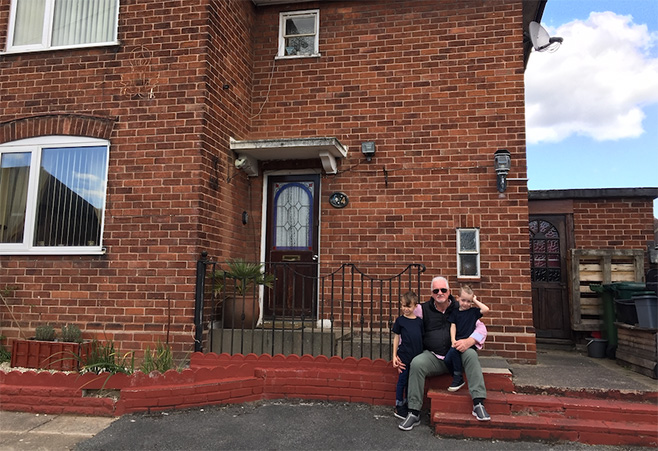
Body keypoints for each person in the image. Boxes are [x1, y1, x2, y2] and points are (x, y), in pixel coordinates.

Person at [396, 276, 490, 431]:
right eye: (436, 290)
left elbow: (481, 328)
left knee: (472, 354)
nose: (440, 293)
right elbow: (407, 325)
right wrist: (399, 353)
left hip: (458, 356)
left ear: (449, 292)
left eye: (443, 290)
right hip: (435, 357)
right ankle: (413, 411)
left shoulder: (461, 307)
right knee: (417, 363)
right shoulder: (422, 309)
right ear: (431, 293)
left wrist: (470, 341)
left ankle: (478, 403)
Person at [444, 285, 490, 392]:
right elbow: (453, 326)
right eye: (463, 300)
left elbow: (486, 309)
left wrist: (474, 300)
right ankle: (457, 375)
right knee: (447, 359)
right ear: (457, 298)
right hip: (457, 342)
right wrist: (453, 340)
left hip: (469, 344)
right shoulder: (455, 313)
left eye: (469, 301)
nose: (466, 303)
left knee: (461, 354)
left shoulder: (473, 312)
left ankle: (458, 377)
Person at [391, 291, 424, 420]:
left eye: (408, 306)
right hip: (404, 356)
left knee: (412, 382)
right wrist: (394, 356)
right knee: (402, 381)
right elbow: (396, 338)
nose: (405, 309)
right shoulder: (400, 321)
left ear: (415, 306)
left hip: (417, 357)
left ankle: (410, 404)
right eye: (403, 305)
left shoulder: (419, 322)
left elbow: (421, 338)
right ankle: (399, 405)